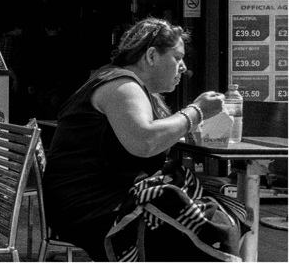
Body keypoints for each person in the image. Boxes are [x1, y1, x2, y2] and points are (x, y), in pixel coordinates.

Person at [43, 18, 227, 261]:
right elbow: (145, 141)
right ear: (151, 56)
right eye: (177, 57)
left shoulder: (123, 81)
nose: (183, 67)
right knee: (208, 222)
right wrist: (196, 111)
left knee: (216, 206)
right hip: (91, 209)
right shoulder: (122, 85)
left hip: (90, 201)